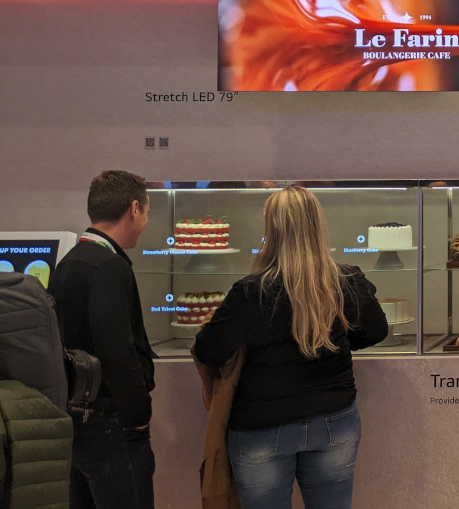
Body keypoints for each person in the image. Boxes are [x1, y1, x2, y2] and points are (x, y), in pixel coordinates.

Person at [193, 186, 387, 509]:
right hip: (333, 420)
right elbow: (377, 330)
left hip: (261, 427)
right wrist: (337, 340)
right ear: (318, 226)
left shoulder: (250, 293)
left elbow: (208, 349)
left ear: (271, 230)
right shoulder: (346, 282)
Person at [49, 170, 156, 509]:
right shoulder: (109, 266)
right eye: (148, 212)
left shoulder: (69, 262)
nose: (145, 221)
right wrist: (140, 413)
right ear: (134, 208)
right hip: (111, 422)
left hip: (77, 417)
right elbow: (117, 351)